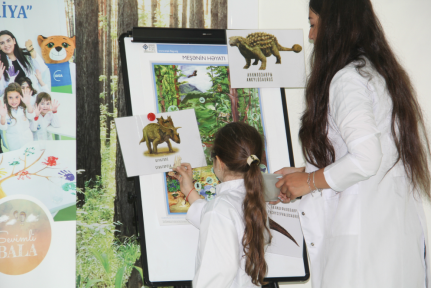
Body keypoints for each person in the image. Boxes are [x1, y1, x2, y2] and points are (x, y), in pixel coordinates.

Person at [274, 0, 430, 287]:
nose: (310, 36)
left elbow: (366, 158)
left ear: (334, 25)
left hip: (364, 247)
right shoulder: (382, 76)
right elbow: (371, 155)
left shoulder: (346, 79)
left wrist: (309, 181)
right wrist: (302, 172)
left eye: (313, 24)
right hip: (393, 237)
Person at [172, 122, 271, 287]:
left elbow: (215, 278)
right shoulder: (254, 203)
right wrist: (189, 191)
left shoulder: (220, 209)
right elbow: (221, 220)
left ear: (219, 162)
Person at [0, 30, 49, 96]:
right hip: (14, 102)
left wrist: (31, 50)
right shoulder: (0, 63)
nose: (6, 45)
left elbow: (42, 69)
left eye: (8, 41)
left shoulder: (26, 55)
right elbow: (0, 93)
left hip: (32, 98)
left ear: (14, 41)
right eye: (2, 43)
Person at [0, 83, 35, 151]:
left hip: (27, 139)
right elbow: (3, 127)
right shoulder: (4, 111)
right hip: (13, 141)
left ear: (21, 96)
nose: (14, 101)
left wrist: (28, 104)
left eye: (17, 97)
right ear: (6, 98)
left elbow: (31, 115)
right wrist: (3, 116)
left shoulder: (24, 107)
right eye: (10, 97)